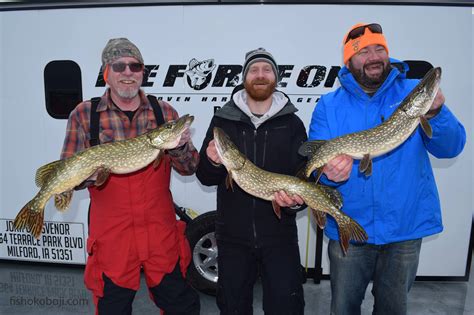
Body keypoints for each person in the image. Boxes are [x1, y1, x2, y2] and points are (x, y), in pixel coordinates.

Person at [308, 23, 466, 315]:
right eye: (363, 51)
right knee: (343, 309)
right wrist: (329, 175)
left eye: (379, 48)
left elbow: (452, 147)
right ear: (349, 60)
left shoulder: (411, 92)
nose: (373, 56)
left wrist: (436, 112)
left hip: (403, 229)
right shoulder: (329, 105)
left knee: (393, 310)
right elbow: (316, 165)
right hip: (350, 229)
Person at [61, 38, 200, 315]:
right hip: (114, 237)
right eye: (119, 65)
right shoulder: (84, 114)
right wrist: (91, 174)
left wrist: (181, 146)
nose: (128, 72)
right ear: (106, 73)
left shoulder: (164, 113)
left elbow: (190, 167)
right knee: (113, 307)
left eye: (135, 66)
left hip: (160, 233)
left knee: (182, 306)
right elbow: (70, 174)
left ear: (142, 72)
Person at [196, 48, 307, 314]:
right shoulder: (223, 120)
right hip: (233, 237)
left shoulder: (292, 124)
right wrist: (212, 161)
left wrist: (295, 202)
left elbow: (304, 177)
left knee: (286, 307)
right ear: (244, 78)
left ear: (276, 78)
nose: (260, 75)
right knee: (233, 308)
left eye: (266, 70)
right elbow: (204, 176)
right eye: (253, 70)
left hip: (279, 236)